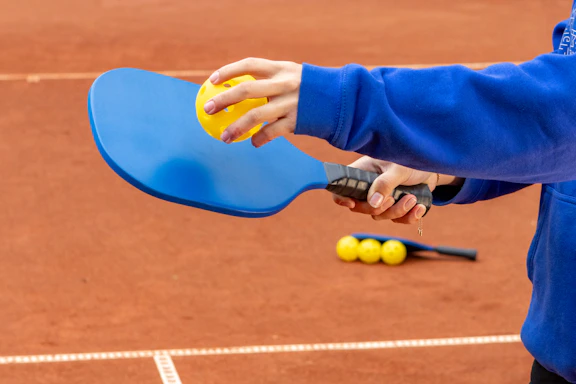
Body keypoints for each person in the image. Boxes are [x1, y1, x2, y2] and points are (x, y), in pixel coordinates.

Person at [201, 2, 576, 382]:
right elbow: (551, 144)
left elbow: (559, 111)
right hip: (558, 347)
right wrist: (442, 170)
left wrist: (340, 101)